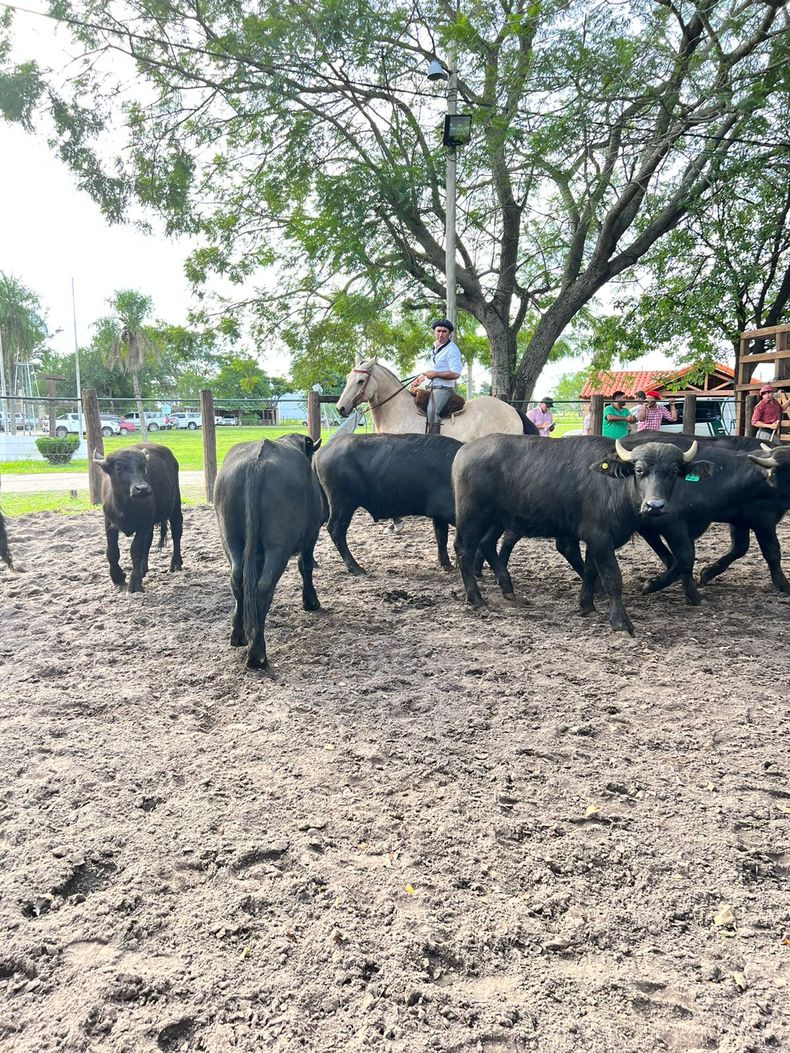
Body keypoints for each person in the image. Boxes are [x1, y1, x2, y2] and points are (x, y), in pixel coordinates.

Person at [412, 319, 463, 434]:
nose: (440, 334)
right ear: (434, 332)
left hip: (443, 389)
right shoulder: (434, 348)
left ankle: (434, 441)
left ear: (450, 333)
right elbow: (431, 370)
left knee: (432, 411)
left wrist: (435, 374)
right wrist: (421, 378)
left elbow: (456, 373)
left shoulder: (452, 350)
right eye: (438, 331)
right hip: (430, 387)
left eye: (444, 331)